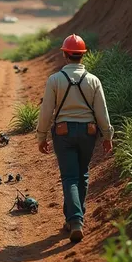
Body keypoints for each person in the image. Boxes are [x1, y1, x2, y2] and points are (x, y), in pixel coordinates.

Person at [37, 34, 114, 243]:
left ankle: (76, 219)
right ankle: (73, 218)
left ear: (64, 55)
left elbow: (46, 112)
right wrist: (107, 136)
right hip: (88, 133)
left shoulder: (55, 80)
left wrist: (41, 136)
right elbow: (102, 112)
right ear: (82, 56)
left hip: (63, 134)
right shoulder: (93, 80)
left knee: (70, 178)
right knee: (82, 175)